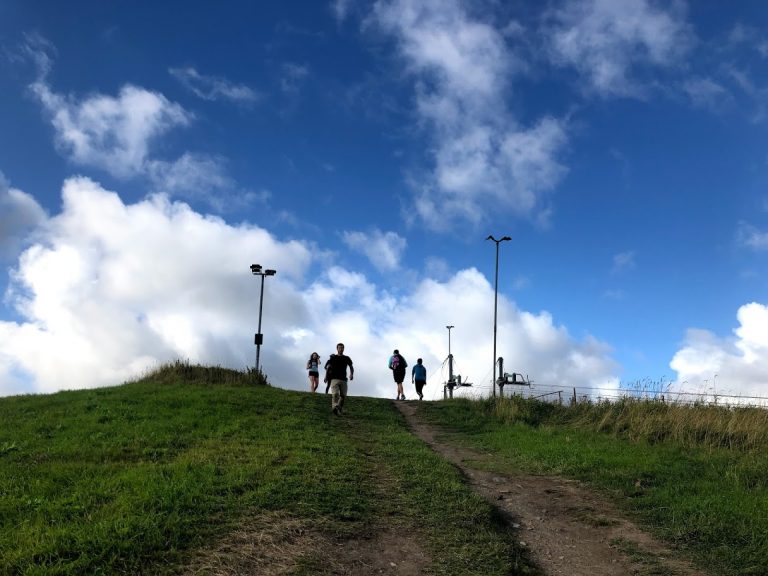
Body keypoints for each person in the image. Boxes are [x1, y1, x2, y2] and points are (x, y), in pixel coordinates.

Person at [324, 343, 354, 415]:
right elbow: (328, 367)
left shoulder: (347, 358)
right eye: (339, 348)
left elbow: (351, 366)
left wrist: (351, 374)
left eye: (342, 348)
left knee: (343, 396)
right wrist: (326, 376)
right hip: (334, 379)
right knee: (335, 394)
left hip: (343, 379)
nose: (341, 349)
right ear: (337, 349)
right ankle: (334, 407)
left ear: (344, 349)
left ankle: (339, 408)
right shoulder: (333, 358)